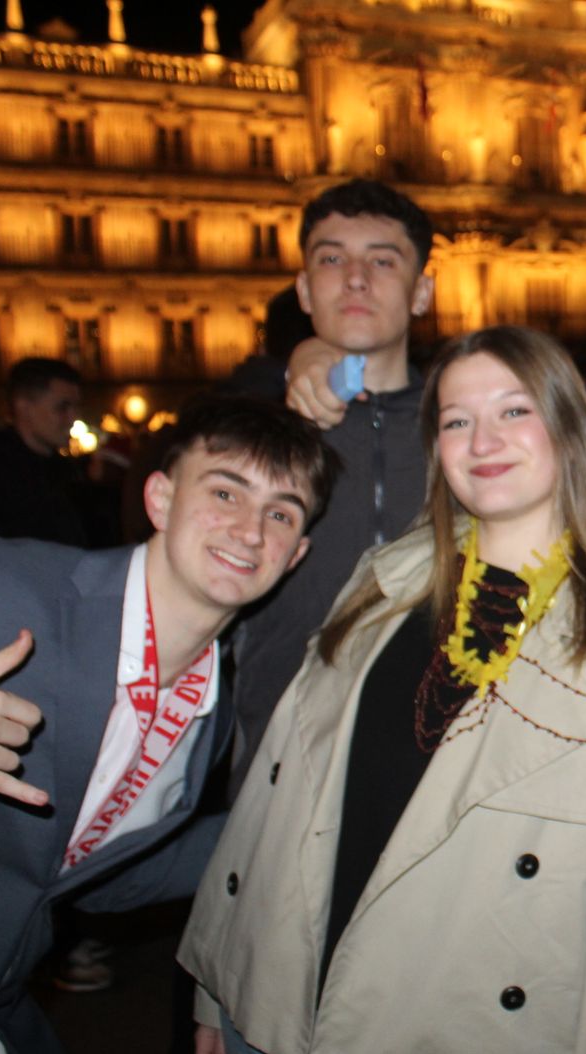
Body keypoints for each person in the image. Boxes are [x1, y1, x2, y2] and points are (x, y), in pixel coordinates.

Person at [179, 326, 586, 1054]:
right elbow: (273, 798)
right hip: (270, 1008)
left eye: (515, 411)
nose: (483, 439)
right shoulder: (381, 581)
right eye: (457, 420)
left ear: (569, 431)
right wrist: (216, 989)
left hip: (444, 1036)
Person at [0, 396, 336, 1054]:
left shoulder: (211, 714)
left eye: (282, 512)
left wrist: (293, 832)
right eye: (226, 490)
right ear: (161, 499)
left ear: (295, 556)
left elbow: (92, 871)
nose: (250, 529)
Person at [226, 178, 437, 792]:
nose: (355, 278)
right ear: (303, 290)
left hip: (436, 764)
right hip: (282, 756)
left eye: (382, 260)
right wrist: (301, 361)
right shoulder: (246, 429)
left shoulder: (463, 429)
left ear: (421, 292)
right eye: (331, 258)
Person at [0, 356, 88, 545]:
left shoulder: (64, 472)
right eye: (62, 407)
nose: (73, 418)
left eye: (76, 407)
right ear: (24, 407)